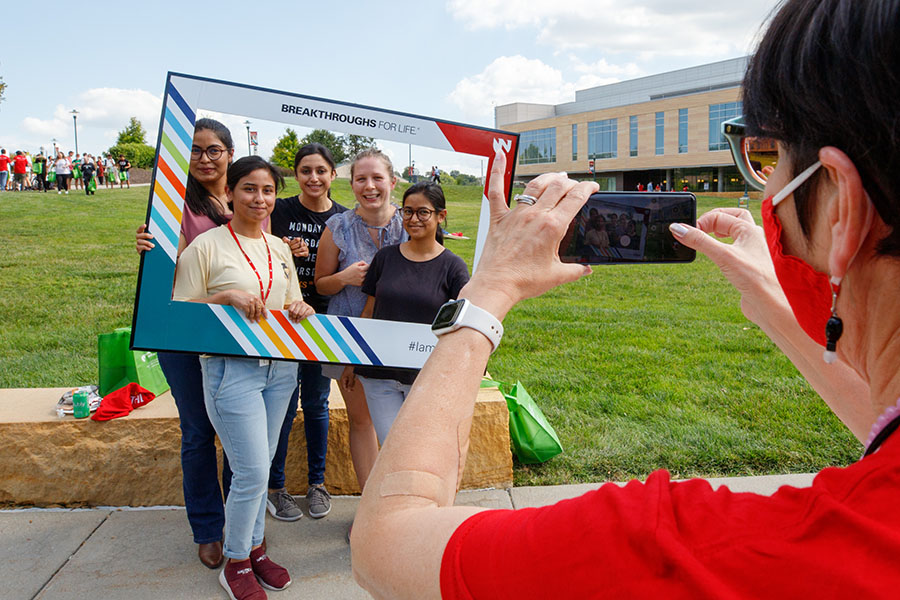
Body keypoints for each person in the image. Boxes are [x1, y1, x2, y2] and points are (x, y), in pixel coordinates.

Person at [350, 2, 900, 596]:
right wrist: (770, 302)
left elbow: (388, 542)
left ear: (840, 206)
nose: (764, 193)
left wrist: (490, 289)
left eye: (768, 161)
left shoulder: (698, 549)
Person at [174, 155, 312, 600]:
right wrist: (224, 297)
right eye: (250, 189)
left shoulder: (277, 248)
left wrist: (301, 306)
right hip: (229, 370)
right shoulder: (205, 247)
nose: (260, 198)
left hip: (280, 370)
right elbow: (177, 314)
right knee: (251, 470)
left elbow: (292, 299)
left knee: (259, 464)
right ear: (230, 192)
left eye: (268, 190)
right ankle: (235, 561)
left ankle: (254, 549)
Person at [314, 148, 407, 496]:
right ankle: (371, 503)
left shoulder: (410, 222)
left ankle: (399, 501)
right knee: (362, 421)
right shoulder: (337, 227)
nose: (369, 186)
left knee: (401, 424)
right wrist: (345, 278)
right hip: (347, 336)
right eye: (361, 179)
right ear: (351, 184)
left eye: (377, 178)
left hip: (399, 336)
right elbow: (321, 284)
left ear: (392, 182)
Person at [266, 143, 348, 521]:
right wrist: (281, 247)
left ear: (333, 174)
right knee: (280, 406)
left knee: (316, 404)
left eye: (320, 170)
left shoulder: (344, 219)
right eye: (305, 171)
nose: (313, 178)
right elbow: (252, 245)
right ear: (296, 175)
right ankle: (276, 488)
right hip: (280, 322)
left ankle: (317, 483)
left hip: (322, 322)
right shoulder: (280, 210)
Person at [355, 182, 469, 444]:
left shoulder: (454, 268)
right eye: (407, 211)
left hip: (426, 378)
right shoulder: (385, 258)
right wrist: (353, 359)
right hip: (378, 376)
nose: (413, 219)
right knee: (391, 449)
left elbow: (462, 325)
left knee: (419, 449)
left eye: (423, 212)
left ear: (441, 216)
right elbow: (369, 310)